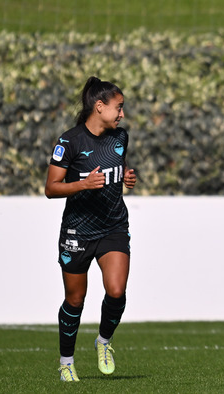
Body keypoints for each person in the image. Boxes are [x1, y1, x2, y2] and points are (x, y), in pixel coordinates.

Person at [45, 76, 137, 382]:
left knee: (117, 290)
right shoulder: (69, 142)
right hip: (77, 232)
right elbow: (50, 188)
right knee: (75, 300)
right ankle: (66, 362)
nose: (122, 114)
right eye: (118, 107)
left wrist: (125, 177)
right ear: (99, 107)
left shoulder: (120, 138)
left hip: (113, 225)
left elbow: (115, 164)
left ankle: (104, 341)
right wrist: (83, 184)